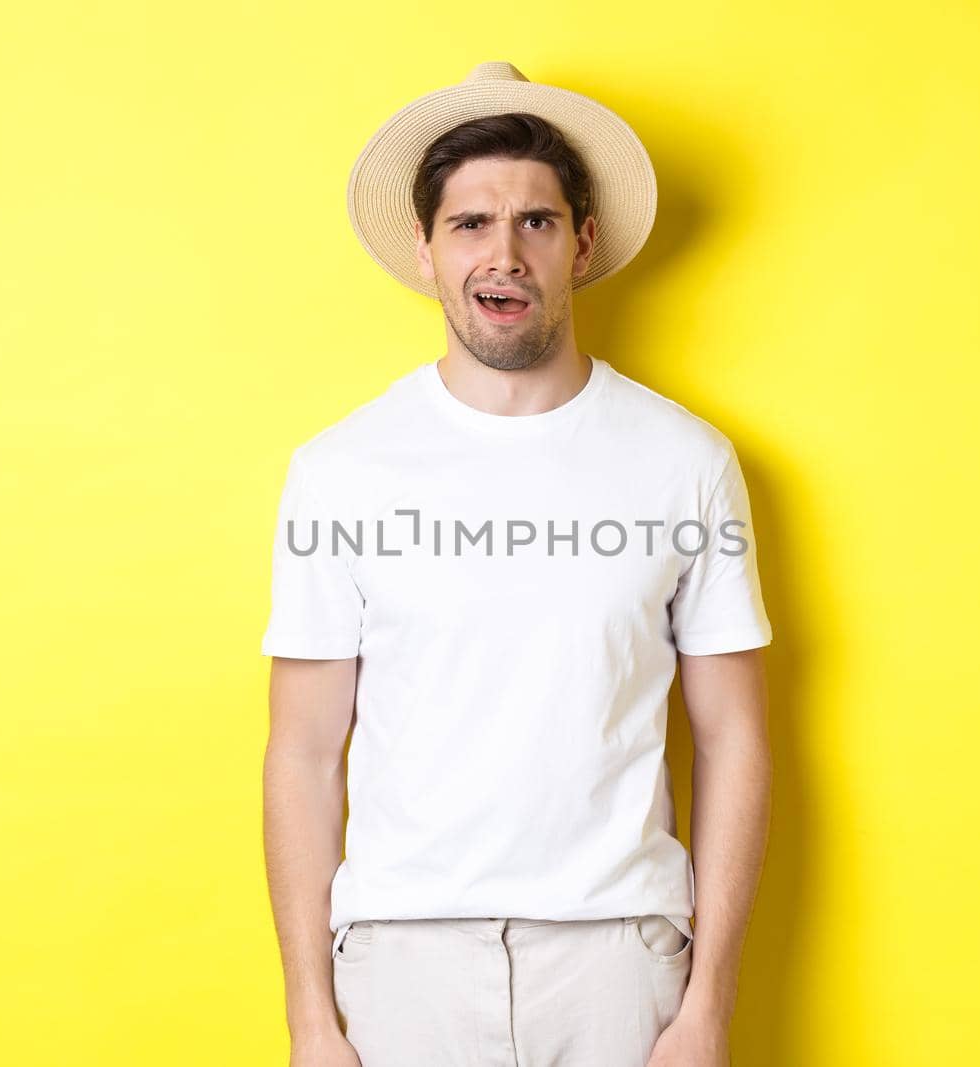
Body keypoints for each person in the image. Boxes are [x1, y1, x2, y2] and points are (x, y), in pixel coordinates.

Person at [262, 61, 774, 1067]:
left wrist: (706, 1003)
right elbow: (301, 753)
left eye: (536, 221)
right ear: (424, 248)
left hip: (619, 963)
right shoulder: (339, 471)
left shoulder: (686, 461)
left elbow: (736, 735)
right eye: (470, 224)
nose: (505, 253)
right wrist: (310, 1019)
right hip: (401, 967)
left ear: (581, 243)